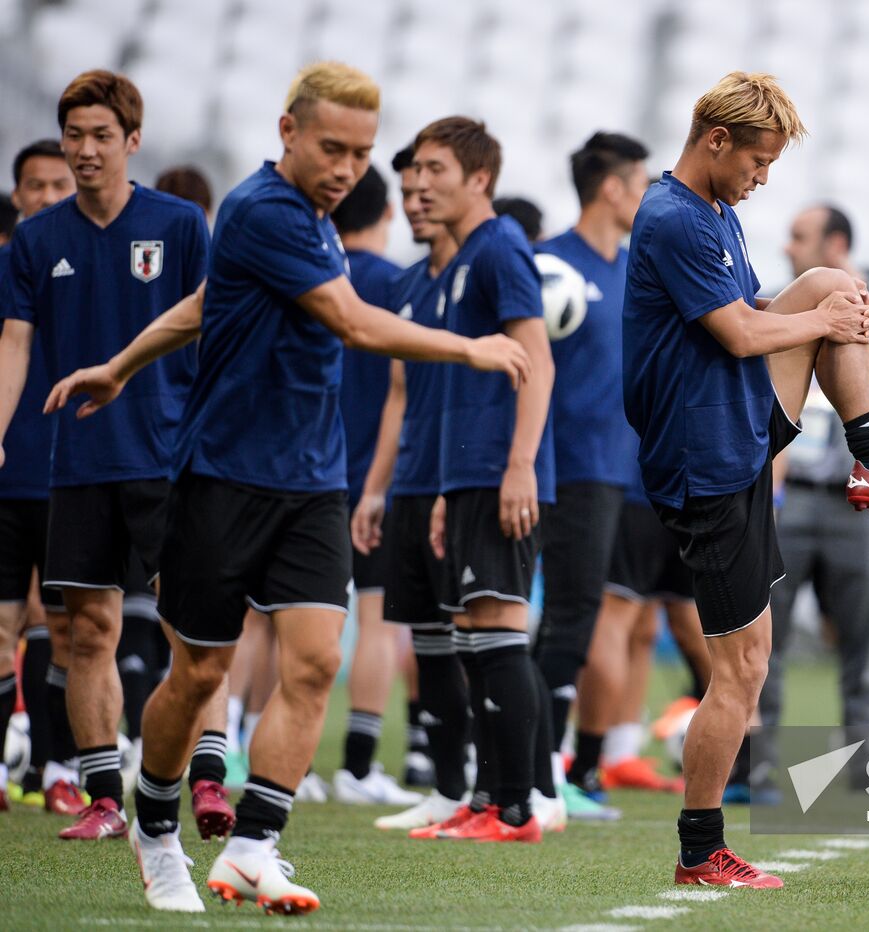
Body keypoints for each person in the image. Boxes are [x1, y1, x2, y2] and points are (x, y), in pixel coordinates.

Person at [47, 62, 530, 913]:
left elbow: (203, 303)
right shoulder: (262, 208)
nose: (349, 167)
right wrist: (471, 346)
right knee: (198, 676)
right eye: (333, 147)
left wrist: (121, 364)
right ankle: (157, 828)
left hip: (313, 482)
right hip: (222, 477)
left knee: (313, 664)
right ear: (288, 132)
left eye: (362, 152)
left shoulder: (312, 218)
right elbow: (349, 321)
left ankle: (252, 846)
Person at [624, 71, 869, 889]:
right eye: (758, 160)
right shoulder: (674, 216)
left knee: (834, 283)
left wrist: (840, 315)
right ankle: (701, 849)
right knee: (741, 671)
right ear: (716, 140)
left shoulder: (713, 213)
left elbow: (759, 311)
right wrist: (827, 325)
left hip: (730, 423)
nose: (762, 178)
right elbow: (743, 333)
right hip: (703, 453)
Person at [0, 72, 218, 842]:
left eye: (101, 137)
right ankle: (101, 796)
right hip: (79, 463)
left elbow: (216, 331)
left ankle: (211, 778)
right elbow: (15, 344)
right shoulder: (35, 241)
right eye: (74, 135)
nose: (85, 150)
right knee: (89, 631)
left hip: (170, 460)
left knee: (193, 623)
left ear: (132, 141)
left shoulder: (184, 226)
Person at [757, 203, 869, 774]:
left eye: (800, 237)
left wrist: (866, 291)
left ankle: (867, 764)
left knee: (863, 641)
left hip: (857, 498)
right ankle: (756, 764)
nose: (789, 247)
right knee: (766, 642)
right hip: (791, 497)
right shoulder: (780, 302)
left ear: (835, 245)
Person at [413, 116, 556, 843]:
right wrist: (446, 489)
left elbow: (539, 362)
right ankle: (484, 798)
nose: (419, 182)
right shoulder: (464, 257)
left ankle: (519, 808)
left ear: (479, 179)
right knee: (473, 634)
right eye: (416, 170)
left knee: (499, 630)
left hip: (503, 472)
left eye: (435, 168)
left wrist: (520, 465)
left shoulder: (500, 249)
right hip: (466, 475)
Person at [356, 142, 474, 832]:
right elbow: (399, 394)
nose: (416, 198)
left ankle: (510, 793)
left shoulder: (487, 270)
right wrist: (378, 488)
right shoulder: (406, 284)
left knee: (483, 642)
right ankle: (448, 788)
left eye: (430, 181)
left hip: (466, 483)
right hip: (412, 481)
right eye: (408, 187)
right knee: (427, 640)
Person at [533, 131, 650, 799]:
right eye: (639, 185)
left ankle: (544, 762)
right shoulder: (547, 264)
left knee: (574, 619)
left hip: (611, 472)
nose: (644, 198)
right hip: (548, 468)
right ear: (612, 187)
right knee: (539, 619)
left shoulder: (637, 269)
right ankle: (528, 765)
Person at [324, 164, 420, 807]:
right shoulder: (400, 282)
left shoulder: (313, 273)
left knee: (276, 624)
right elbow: (402, 391)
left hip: (306, 471)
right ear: (387, 214)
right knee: (378, 620)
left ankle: (248, 750)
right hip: (374, 479)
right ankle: (358, 766)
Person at [0, 139, 75, 814]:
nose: (47, 196)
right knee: (0, 626)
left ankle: (59, 768)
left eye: (59, 185)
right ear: (17, 194)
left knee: (66, 627)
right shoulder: (7, 269)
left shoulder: (97, 269)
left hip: (73, 476)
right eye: (35, 186)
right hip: (8, 471)